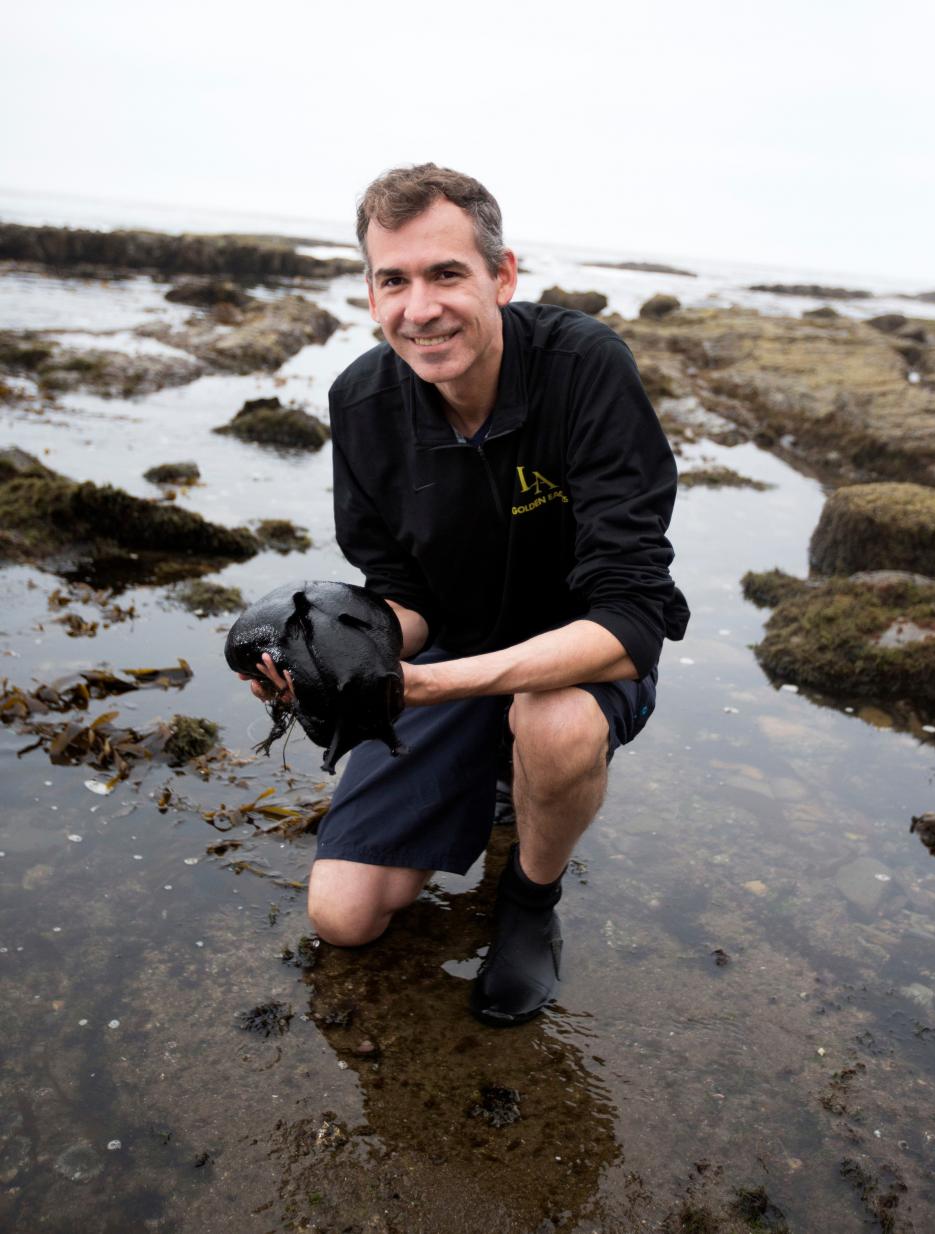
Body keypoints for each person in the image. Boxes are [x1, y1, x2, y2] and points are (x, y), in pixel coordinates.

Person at [246, 164, 689, 1025]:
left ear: (503, 275)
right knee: (343, 918)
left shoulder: (583, 369)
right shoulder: (362, 403)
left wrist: (431, 686)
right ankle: (491, 770)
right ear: (370, 293)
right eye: (394, 280)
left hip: (574, 657)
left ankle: (529, 897)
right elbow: (404, 597)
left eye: (447, 273)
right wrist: (331, 653)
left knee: (551, 722)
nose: (421, 307)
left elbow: (632, 617)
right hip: (454, 649)